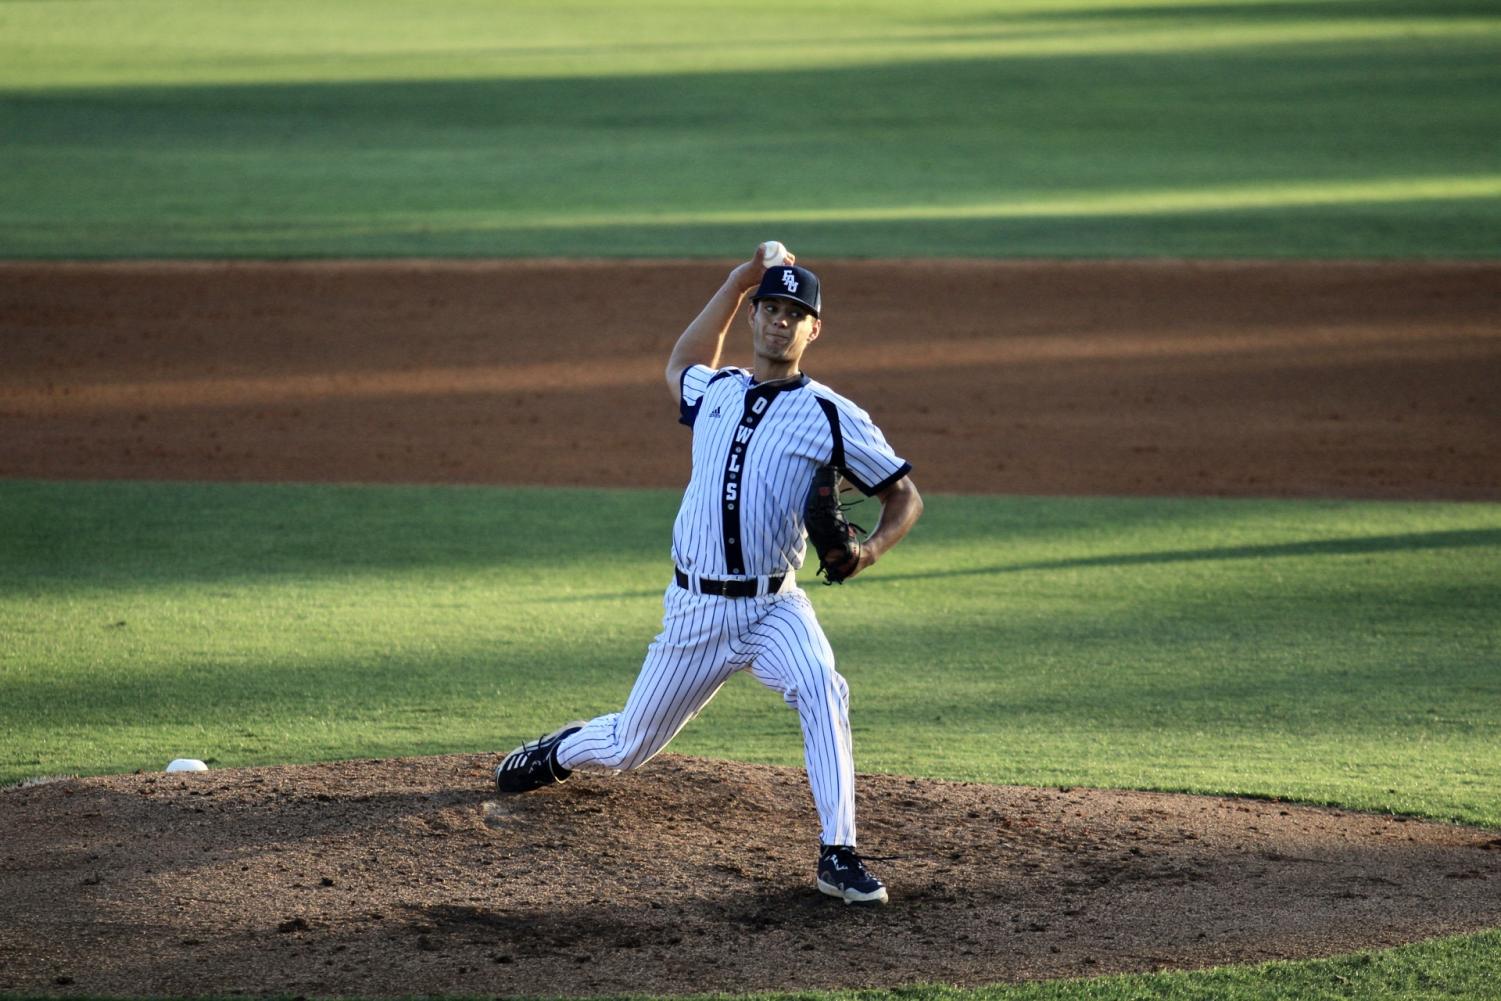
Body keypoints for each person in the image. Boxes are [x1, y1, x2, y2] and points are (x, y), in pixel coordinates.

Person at [495, 244, 923, 905]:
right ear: (754, 318)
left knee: (821, 685)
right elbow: (679, 364)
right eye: (770, 308)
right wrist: (734, 279)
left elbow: (904, 497)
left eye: (794, 314)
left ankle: (837, 853)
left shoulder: (831, 414)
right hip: (695, 613)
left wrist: (867, 552)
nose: (780, 322)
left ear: (814, 329)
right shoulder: (716, 389)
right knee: (629, 744)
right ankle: (557, 751)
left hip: (774, 606)